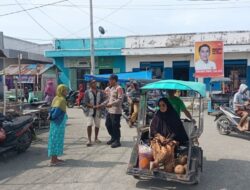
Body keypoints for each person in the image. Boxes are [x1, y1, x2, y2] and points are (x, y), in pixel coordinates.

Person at [100, 74, 123, 148]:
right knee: (108, 125)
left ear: (114, 80)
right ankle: (113, 137)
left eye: (110, 80)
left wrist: (111, 104)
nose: (109, 81)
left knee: (115, 126)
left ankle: (117, 141)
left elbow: (120, 99)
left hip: (116, 111)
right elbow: (108, 99)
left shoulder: (119, 88)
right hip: (109, 111)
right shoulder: (111, 88)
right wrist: (102, 104)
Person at [48, 84, 68, 166]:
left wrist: (51, 117)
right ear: (62, 91)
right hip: (58, 123)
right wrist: (53, 117)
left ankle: (55, 158)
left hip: (54, 123)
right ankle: (53, 160)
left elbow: (51, 110)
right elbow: (56, 113)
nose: (66, 92)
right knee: (56, 140)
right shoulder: (62, 100)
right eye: (65, 90)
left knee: (54, 139)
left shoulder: (56, 98)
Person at [83, 80, 105, 146]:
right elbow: (85, 102)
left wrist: (100, 105)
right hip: (90, 111)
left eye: (95, 82)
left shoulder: (100, 91)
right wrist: (92, 106)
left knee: (97, 125)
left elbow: (103, 99)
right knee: (89, 124)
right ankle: (89, 140)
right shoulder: (87, 92)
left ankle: (96, 138)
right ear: (90, 84)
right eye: (93, 83)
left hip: (98, 111)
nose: (95, 84)